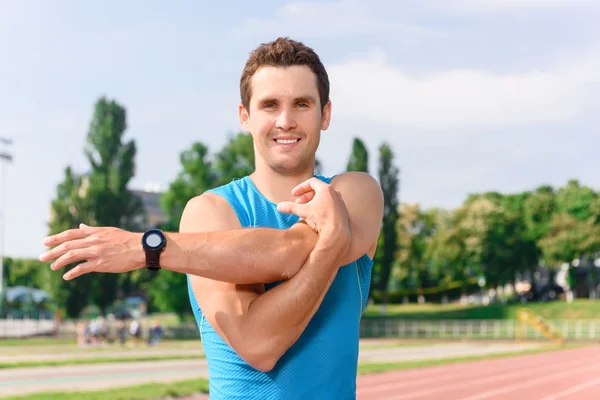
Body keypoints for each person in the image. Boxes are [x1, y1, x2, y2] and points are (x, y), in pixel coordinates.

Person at [40, 37, 384, 399]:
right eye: (269, 105)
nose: (285, 120)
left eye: (302, 104)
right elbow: (259, 344)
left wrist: (149, 247)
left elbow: (287, 249)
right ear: (245, 118)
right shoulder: (211, 211)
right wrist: (331, 242)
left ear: (324, 114)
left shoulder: (356, 192)